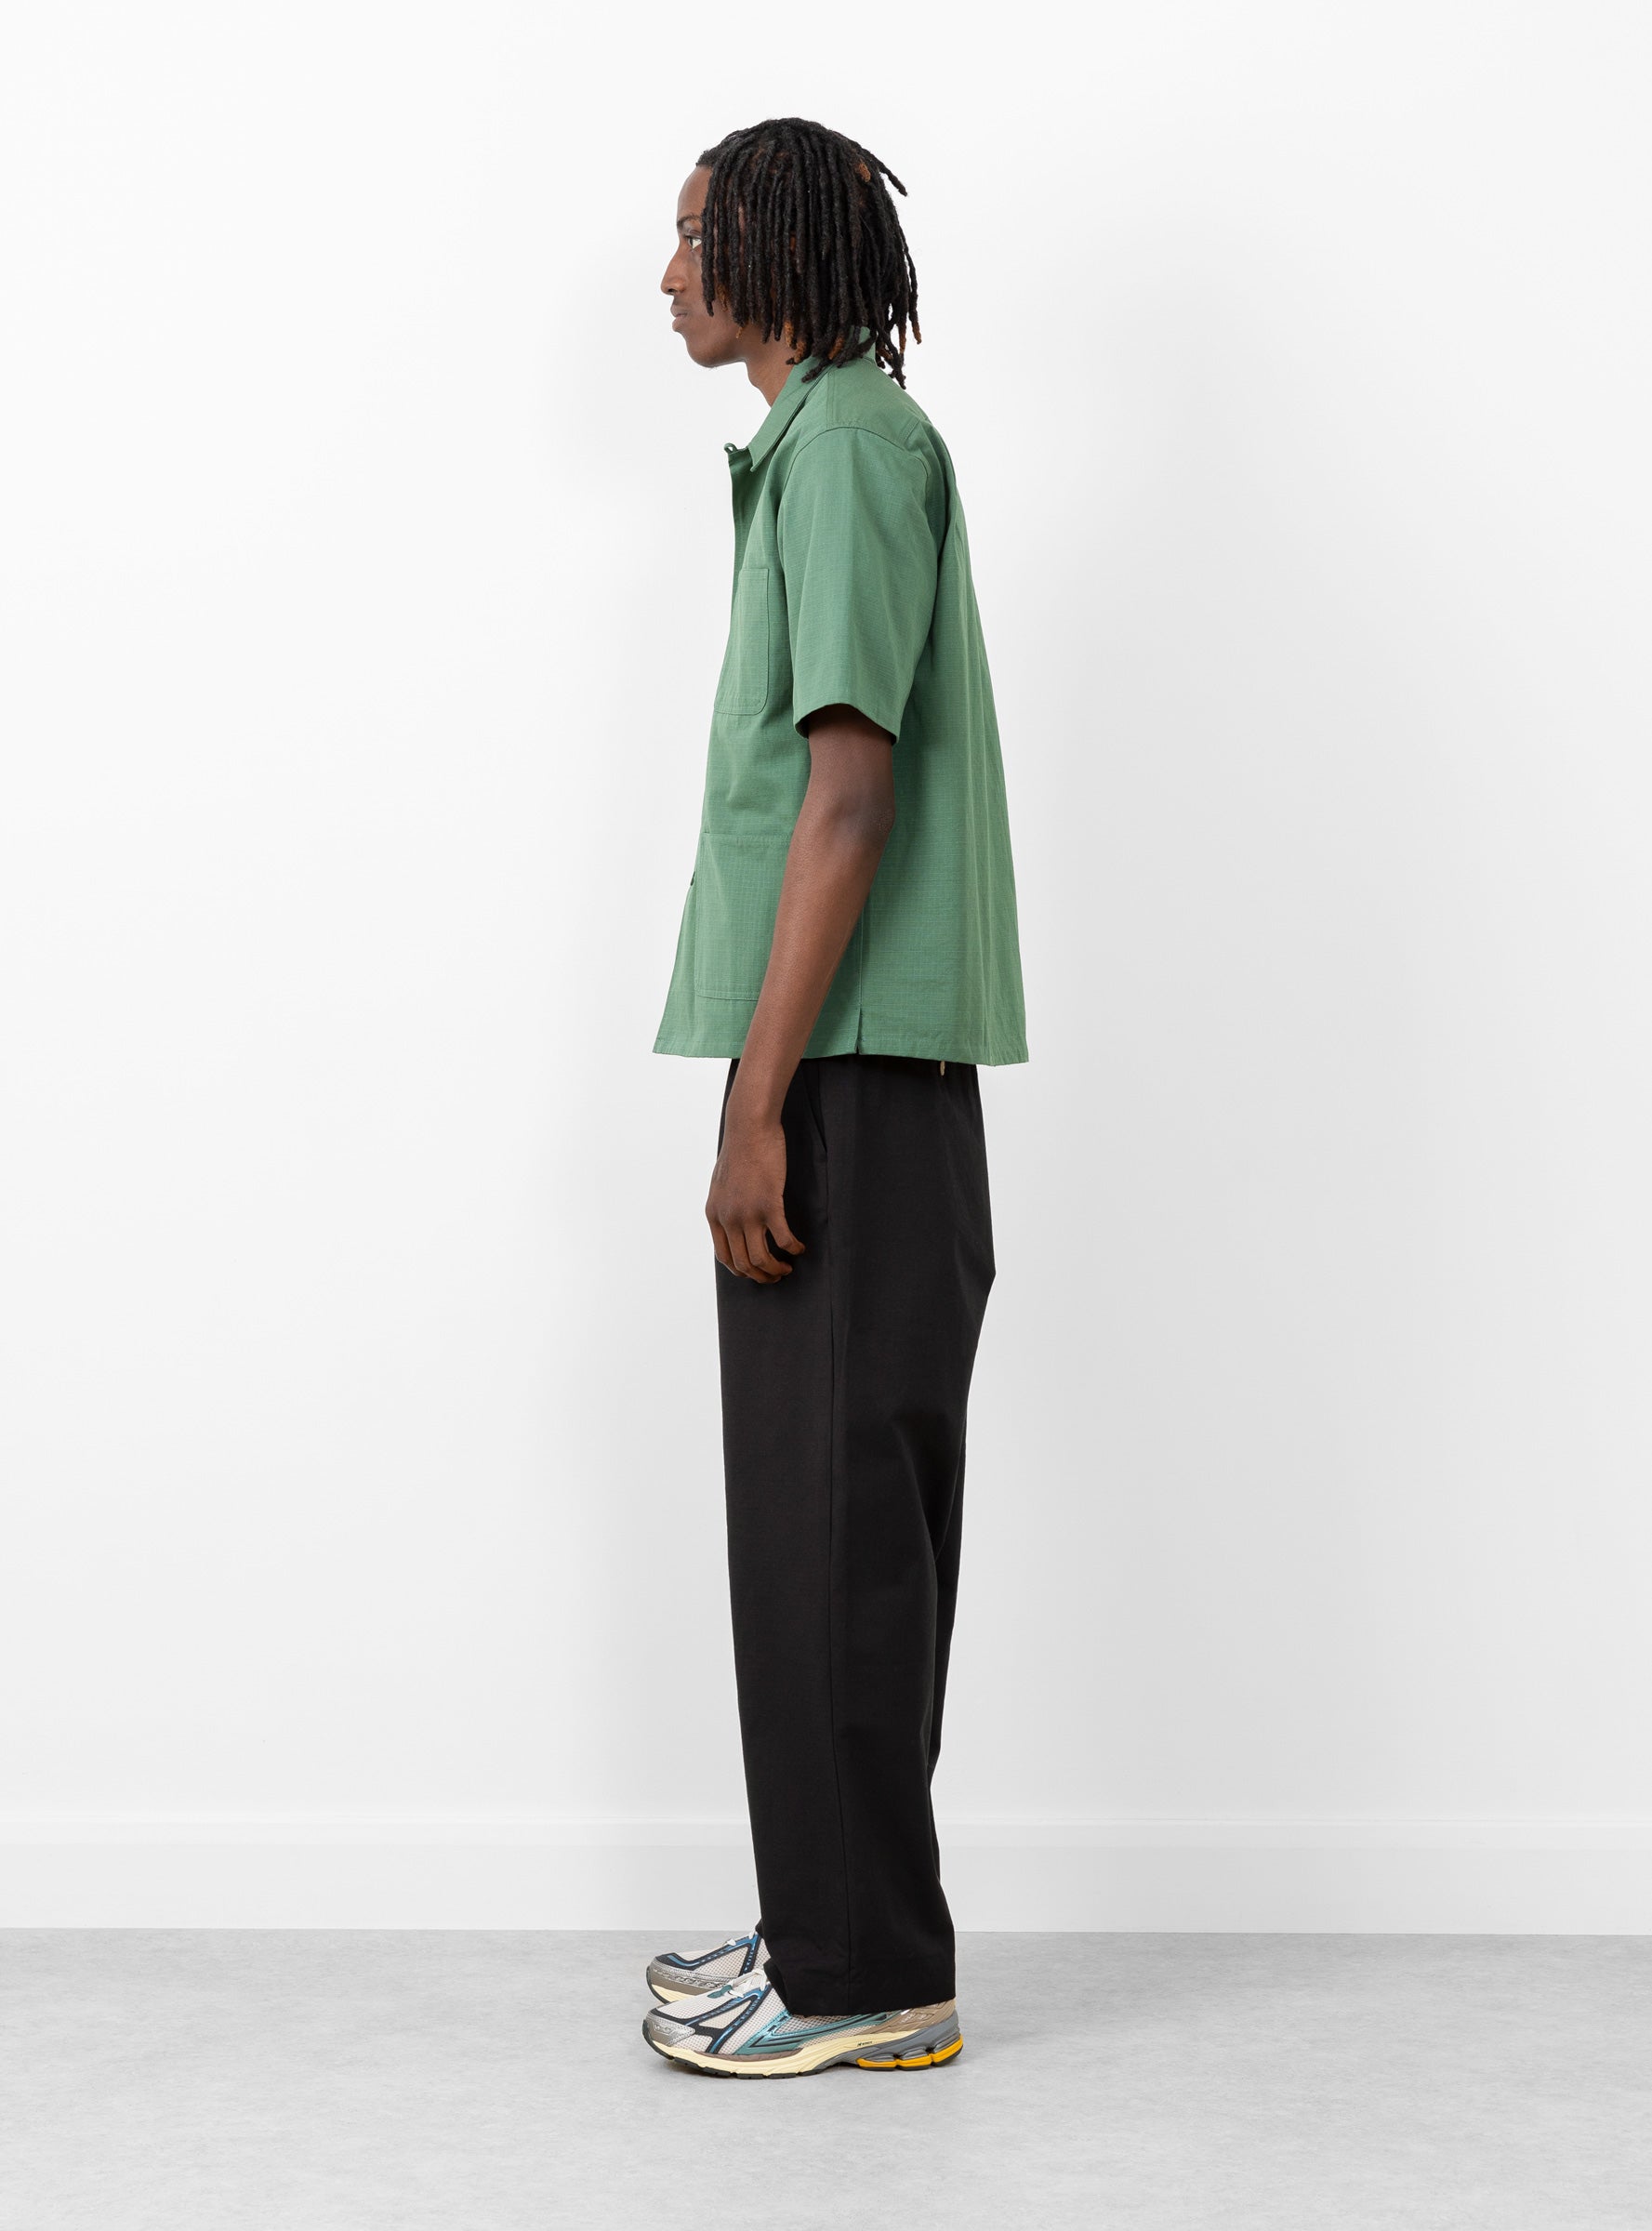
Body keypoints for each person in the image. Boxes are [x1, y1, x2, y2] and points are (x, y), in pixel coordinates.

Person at [641, 116, 1028, 2079]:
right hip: (834, 1061)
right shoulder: (819, 447)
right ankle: (828, 1921)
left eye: (693, 235)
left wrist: (756, 1109)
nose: (667, 274)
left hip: (848, 1073)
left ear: (778, 251)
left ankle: (865, 1972)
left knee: (839, 1535)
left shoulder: (854, 450)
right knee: (817, 1528)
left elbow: (849, 797)